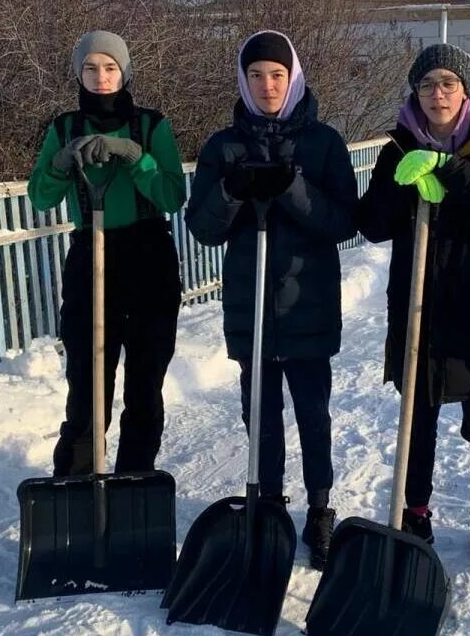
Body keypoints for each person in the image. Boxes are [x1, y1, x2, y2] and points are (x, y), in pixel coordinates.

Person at [184, 30, 358, 569]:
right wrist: (232, 190)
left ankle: (321, 508)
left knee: (313, 414)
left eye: (277, 75)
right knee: (259, 415)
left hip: (307, 303)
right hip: (251, 307)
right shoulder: (222, 147)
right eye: (256, 75)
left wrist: (293, 188)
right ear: (243, 79)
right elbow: (203, 229)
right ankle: (268, 504)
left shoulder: (324, 143)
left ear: (294, 77)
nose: (267, 85)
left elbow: (343, 221)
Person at [356, 43, 470, 570]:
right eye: (428, 84)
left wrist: (451, 168)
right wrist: (402, 186)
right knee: (419, 416)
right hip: (417, 305)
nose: (438, 94)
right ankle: (416, 512)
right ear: (416, 90)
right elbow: (372, 224)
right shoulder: (395, 148)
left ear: (465, 88)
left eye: (448, 83)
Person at [28, 30, 186, 476]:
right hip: (90, 259)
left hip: (148, 258)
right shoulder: (64, 128)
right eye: (91, 67)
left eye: (111, 67)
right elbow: (40, 196)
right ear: (78, 73)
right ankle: (77, 488)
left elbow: (173, 195)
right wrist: (60, 165)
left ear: (125, 71)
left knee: (144, 385)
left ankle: (133, 483)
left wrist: (136, 157)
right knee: (87, 385)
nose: (101, 77)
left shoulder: (152, 126)